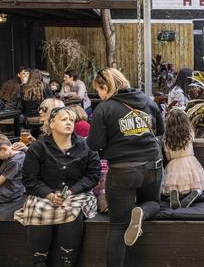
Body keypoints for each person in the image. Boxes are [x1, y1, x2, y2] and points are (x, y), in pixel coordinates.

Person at [87, 68, 164, 267]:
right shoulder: (148, 101)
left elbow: (94, 144)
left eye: (99, 91)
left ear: (107, 86)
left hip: (122, 171)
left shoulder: (104, 109)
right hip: (152, 166)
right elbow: (160, 130)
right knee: (154, 203)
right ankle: (141, 212)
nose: (99, 95)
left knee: (117, 227)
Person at [14, 107, 101, 267]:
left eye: (71, 120)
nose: (69, 122)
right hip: (44, 193)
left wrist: (71, 191)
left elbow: (93, 176)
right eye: (63, 119)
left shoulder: (86, 146)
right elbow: (30, 179)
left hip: (76, 192)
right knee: (38, 209)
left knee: (71, 213)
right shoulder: (38, 147)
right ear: (52, 124)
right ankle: (40, 262)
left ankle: (67, 262)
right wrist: (49, 195)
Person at [163, 108, 204, 209]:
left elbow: (168, 157)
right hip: (190, 162)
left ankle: (174, 193)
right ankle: (196, 192)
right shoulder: (189, 133)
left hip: (174, 164)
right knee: (198, 185)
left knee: (174, 185)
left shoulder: (166, 138)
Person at [0, 134, 25, 204]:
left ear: (3, 149)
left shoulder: (14, 161)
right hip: (4, 190)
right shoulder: (9, 156)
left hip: (9, 194)